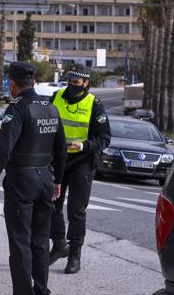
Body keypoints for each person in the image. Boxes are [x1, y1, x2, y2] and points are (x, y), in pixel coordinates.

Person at [0, 62, 67, 295]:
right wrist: (57, 181)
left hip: (22, 181)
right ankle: (41, 290)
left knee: (20, 242)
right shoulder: (51, 108)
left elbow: (4, 150)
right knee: (40, 240)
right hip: (46, 179)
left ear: (12, 83)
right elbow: (61, 149)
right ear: (34, 81)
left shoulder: (17, 109)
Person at [49, 69, 111, 274]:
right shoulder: (56, 97)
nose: (71, 84)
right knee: (50, 204)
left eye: (75, 81)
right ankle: (59, 244)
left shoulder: (95, 104)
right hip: (57, 160)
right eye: (69, 80)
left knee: (76, 210)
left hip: (81, 162)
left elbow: (104, 139)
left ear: (85, 82)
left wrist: (85, 145)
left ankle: (75, 254)